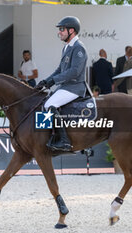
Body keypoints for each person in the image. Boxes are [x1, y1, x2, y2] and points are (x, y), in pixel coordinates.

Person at [35, 16, 88, 152]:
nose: (60, 32)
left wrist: (54, 81)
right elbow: (59, 70)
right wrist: (46, 81)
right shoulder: (66, 48)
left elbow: (75, 71)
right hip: (65, 87)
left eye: (62, 29)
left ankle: (64, 140)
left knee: (49, 105)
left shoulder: (79, 48)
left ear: (72, 30)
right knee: (43, 102)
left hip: (75, 87)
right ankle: (46, 137)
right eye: (60, 29)